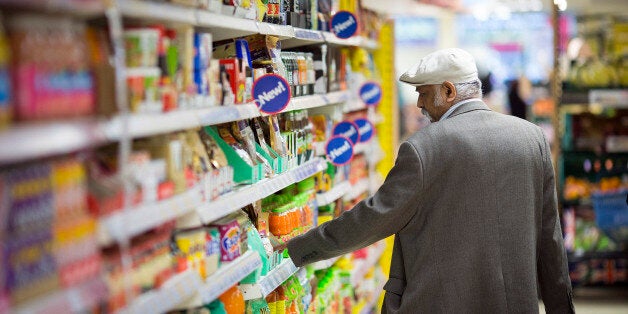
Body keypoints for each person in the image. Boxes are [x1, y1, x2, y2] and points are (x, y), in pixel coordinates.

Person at [285, 48, 574, 313]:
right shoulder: (531, 137)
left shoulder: (424, 147)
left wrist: (298, 248)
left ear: (448, 91)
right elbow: (550, 236)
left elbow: (374, 218)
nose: (420, 103)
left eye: (423, 93)